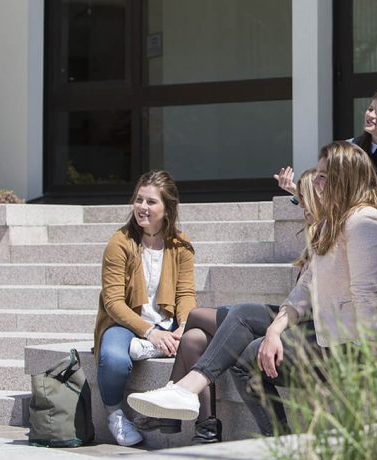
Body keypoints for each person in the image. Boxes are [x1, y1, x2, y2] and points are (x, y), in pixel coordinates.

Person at [127, 141, 377, 438]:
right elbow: (305, 289)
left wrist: (372, 374)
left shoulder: (366, 222)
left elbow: (369, 300)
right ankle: (196, 396)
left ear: (344, 179)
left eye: (323, 176)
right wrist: (274, 331)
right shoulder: (334, 224)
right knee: (247, 351)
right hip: (328, 335)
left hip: (354, 348)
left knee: (240, 346)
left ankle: (190, 393)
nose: (315, 182)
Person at [126, 168, 320, 444]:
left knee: (208, 317)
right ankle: (204, 427)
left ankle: (181, 415)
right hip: (289, 313)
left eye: (306, 199)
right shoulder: (320, 226)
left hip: (303, 321)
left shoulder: (334, 231)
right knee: (193, 336)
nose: (301, 205)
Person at [94, 169, 196, 446]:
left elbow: (185, 293)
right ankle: (115, 414)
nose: (142, 207)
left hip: (167, 322)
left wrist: (185, 325)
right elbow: (113, 302)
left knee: (198, 340)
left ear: (167, 208)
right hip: (125, 323)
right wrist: (151, 333)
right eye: (139, 200)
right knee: (113, 358)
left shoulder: (181, 245)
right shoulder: (120, 243)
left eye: (151, 202)